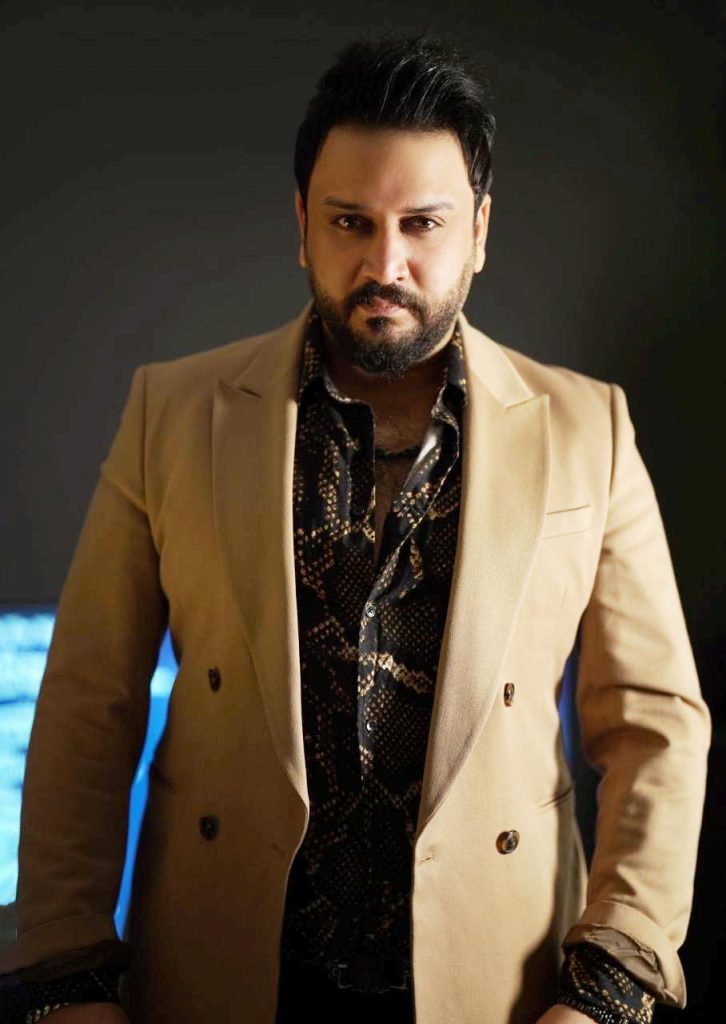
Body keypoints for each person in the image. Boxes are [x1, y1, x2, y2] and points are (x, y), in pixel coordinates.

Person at [0, 30, 711, 1024]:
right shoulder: (174, 412)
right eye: (350, 222)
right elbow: (87, 702)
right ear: (302, 224)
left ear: (479, 230)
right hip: (224, 973)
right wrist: (66, 974)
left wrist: (611, 987)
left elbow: (655, 723)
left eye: (423, 223)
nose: (386, 263)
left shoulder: (587, 428)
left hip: (497, 984)